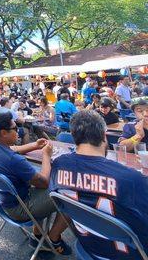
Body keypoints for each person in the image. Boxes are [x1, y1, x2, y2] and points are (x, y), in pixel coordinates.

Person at [50, 110, 148, 259]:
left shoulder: (59, 164)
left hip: (88, 245)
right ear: (104, 134)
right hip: (130, 254)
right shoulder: (131, 179)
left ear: (73, 135)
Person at [0, 112, 71, 255]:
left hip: (3, 202)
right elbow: (44, 182)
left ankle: (37, 236)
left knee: (37, 179)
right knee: (69, 194)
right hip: (19, 209)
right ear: (4, 132)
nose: (18, 130)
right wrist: (46, 156)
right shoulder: (14, 160)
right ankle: (54, 238)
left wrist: (35, 145)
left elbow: (13, 149)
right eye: (15, 128)